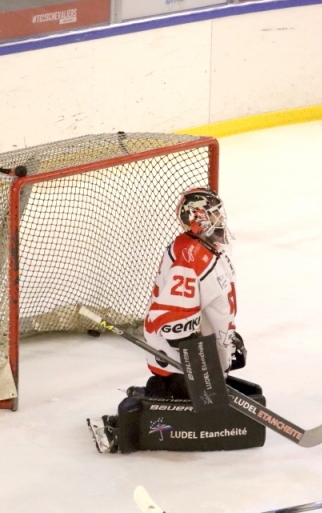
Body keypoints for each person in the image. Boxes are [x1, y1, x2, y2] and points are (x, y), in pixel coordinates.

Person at [86, 187, 263, 454]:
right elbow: (175, 317)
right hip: (178, 352)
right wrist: (199, 359)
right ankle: (139, 414)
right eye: (214, 213)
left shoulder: (208, 249)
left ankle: (159, 392)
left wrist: (227, 339)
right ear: (199, 218)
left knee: (205, 395)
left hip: (198, 346)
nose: (221, 218)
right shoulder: (188, 258)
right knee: (196, 401)